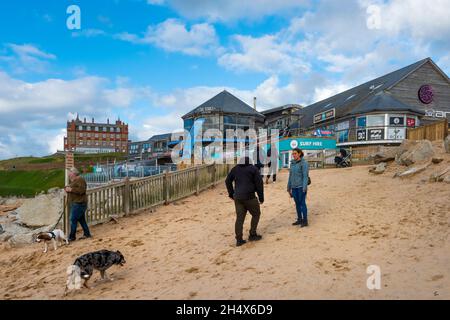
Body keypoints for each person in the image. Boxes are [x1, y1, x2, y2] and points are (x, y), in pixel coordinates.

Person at [225, 157, 264, 247]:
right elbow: (259, 184)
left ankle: (239, 240)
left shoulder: (235, 169)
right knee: (256, 214)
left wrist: (231, 194)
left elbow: (227, 181)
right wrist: (261, 198)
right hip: (250, 197)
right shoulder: (253, 169)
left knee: (239, 218)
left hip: (238, 197)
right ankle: (252, 234)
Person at [65, 167, 92, 241]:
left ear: (73, 173)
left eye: (70, 172)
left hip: (79, 203)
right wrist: (68, 189)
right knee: (81, 220)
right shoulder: (75, 180)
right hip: (76, 203)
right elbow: (74, 189)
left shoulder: (80, 179)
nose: (69, 174)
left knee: (73, 219)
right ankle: (87, 234)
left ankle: (72, 237)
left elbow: (82, 190)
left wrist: (71, 189)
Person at [287, 148, 309, 227]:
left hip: (301, 187)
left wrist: (304, 187)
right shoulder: (292, 163)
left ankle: (305, 220)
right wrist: (288, 187)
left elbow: (305, 176)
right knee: (297, 204)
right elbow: (290, 176)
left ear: (299, 154)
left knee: (302, 203)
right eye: (293, 154)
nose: (293, 155)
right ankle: (299, 219)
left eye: (295, 153)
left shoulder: (304, 163)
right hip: (294, 187)